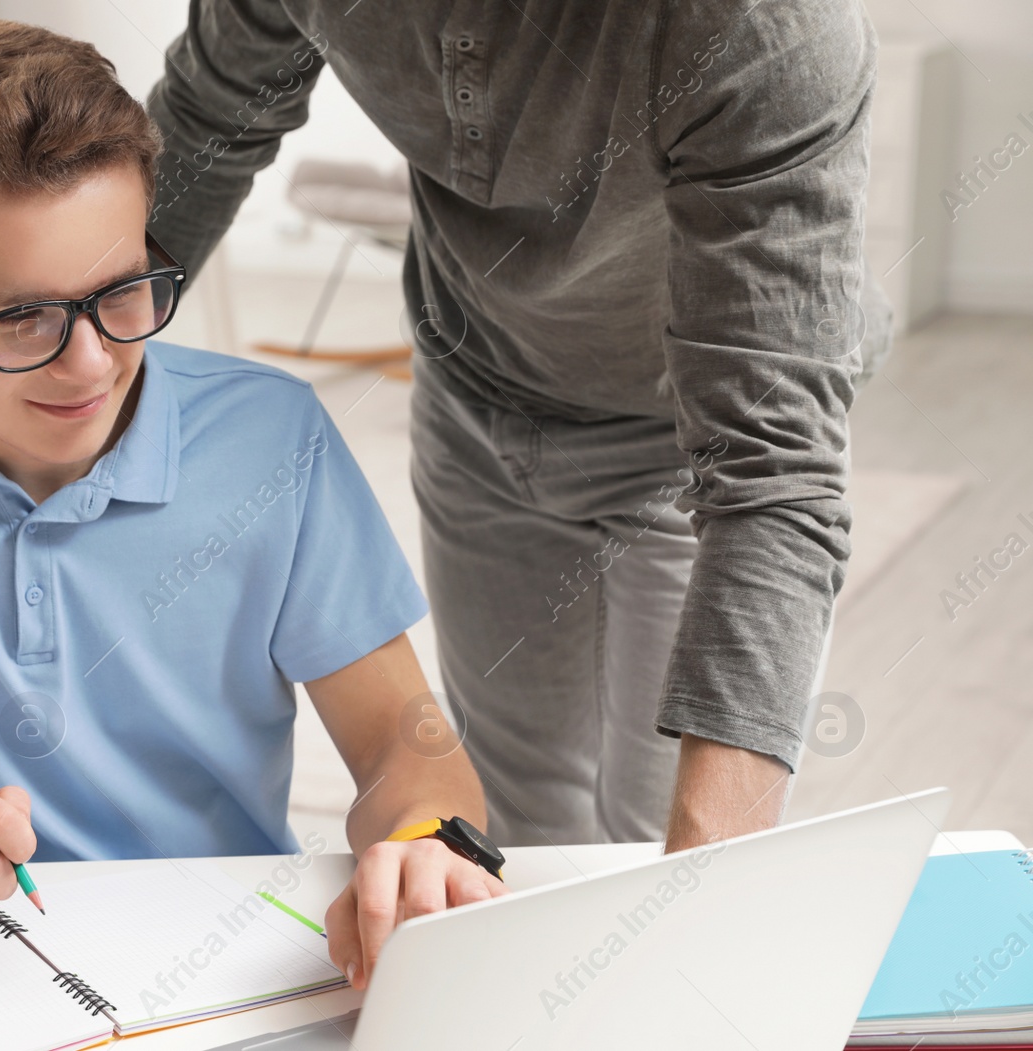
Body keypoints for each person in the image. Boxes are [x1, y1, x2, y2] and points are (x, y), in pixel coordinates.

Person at [0, 19, 505, 990]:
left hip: (227, 975)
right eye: (22, 318)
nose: (92, 363)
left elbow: (403, 742)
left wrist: (423, 840)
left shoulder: (271, 437)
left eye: (121, 294)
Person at [144, 0, 893, 852]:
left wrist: (697, 896)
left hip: (690, 430)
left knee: (651, 854)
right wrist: (54, 341)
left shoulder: (766, 28)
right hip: (475, 381)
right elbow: (211, 117)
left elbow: (773, 478)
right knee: (511, 828)